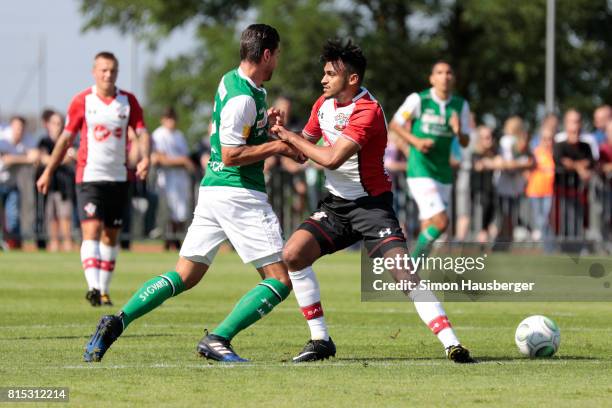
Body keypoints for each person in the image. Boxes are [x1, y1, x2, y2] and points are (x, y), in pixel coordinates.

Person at [79, 24, 304, 363]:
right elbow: (231, 153)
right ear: (267, 54)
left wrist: (264, 124)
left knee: (185, 275)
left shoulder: (239, 83)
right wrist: (279, 145)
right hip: (239, 193)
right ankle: (219, 338)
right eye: (277, 56)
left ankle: (116, 321)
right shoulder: (244, 97)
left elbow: (241, 134)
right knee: (280, 280)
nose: (278, 63)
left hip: (214, 193)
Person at [272, 39, 474, 364]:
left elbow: (332, 158)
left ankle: (452, 344)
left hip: (372, 208)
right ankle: (320, 339)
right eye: (323, 73)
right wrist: (274, 132)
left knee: (405, 275)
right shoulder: (322, 105)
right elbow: (300, 153)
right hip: (336, 207)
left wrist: (289, 135)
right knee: (293, 254)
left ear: (352, 79)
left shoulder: (368, 110)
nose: (323, 80)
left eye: (330, 74)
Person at [36, 52, 152, 306]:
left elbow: (142, 133)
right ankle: (93, 287)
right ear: (94, 72)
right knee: (91, 229)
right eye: (104, 70)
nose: (108, 75)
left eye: (112, 70)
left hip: (119, 178)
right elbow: (65, 140)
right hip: (89, 177)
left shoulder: (128, 101)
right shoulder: (82, 101)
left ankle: (104, 290)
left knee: (111, 235)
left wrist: (145, 157)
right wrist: (48, 171)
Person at [389, 61, 471, 261]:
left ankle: (414, 279)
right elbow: (395, 124)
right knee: (442, 222)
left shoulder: (461, 105)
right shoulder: (419, 100)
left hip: (443, 172)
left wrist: (458, 131)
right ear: (432, 78)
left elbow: (466, 141)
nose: (445, 76)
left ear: (453, 78)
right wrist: (416, 141)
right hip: (420, 170)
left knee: (430, 226)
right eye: (440, 72)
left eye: (449, 72)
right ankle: (410, 269)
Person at [151, 107, 195, 250]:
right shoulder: (159, 134)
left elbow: (186, 157)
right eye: (168, 118)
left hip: (180, 177)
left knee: (181, 212)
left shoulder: (179, 135)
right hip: (166, 177)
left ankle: (176, 241)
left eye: (173, 118)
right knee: (168, 210)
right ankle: (168, 241)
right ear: (163, 119)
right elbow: (161, 159)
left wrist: (184, 162)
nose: (171, 121)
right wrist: (182, 161)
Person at [553, 109, 594, 240]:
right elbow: (561, 161)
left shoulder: (586, 145)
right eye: (573, 122)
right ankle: (563, 246)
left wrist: (574, 165)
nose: (576, 126)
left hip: (580, 191)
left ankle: (576, 245)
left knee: (579, 219)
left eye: (578, 122)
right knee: (563, 219)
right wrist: (581, 168)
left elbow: (591, 162)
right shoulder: (559, 144)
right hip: (562, 190)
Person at [38, 112, 76, 252]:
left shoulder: (68, 140)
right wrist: (58, 159)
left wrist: (52, 160)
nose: (56, 126)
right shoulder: (44, 141)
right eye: (54, 123)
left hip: (64, 186)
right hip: (49, 186)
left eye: (59, 123)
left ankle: (67, 243)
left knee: (65, 216)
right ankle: (53, 244)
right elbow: (42, 158)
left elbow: (69, 157)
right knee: (51, 217)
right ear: (48, 125)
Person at [0, 116, 39, 249]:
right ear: (10, 127)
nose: (19, 130)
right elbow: (6, 160)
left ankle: (13, 245)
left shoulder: (28, 139)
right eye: (16, 127)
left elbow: (34, 157)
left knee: (13, 216)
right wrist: (24, 158)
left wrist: (14, 159)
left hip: (11, 184)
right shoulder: (3, 137)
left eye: (21, 127)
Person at [494, 116, 534, 245]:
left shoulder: (513, 141)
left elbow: (529, 162)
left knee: (509, 215)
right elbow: (508, 163)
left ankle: (506, 241)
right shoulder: (507, 141)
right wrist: (521, 164)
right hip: (509, 185)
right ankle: (504, 240)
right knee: (506, 215)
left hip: (513, 186)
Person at [525, 124, 555, 251]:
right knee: (540, 220)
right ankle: (547, 246)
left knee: (545, 220)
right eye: (545, 139)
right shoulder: (535, 153)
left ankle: (548, 246)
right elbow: (526, 170)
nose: (547, 142)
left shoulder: (554, 154)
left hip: (549, 192)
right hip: (535, 191)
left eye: (550, 139)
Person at [470, 126, 498, 244]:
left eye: (490, 137)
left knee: (491, 221)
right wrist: (493, 163)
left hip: (492, 193)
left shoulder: (494, 152)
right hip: (480, 194)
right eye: (486, 138)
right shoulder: (475, 154)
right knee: (481, 223)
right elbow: (479, 165)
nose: (490, 140)